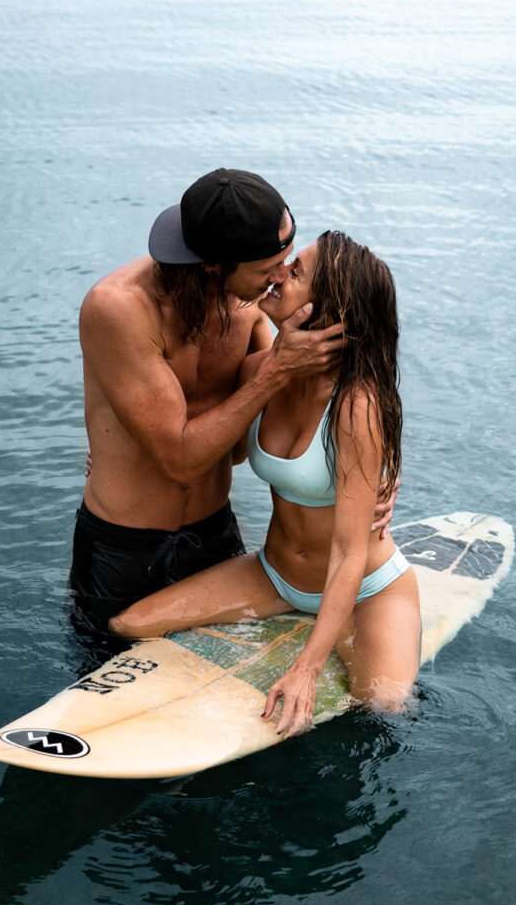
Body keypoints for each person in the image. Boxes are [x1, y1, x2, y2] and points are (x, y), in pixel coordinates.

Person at [110, 231, 420, 735]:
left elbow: (348, 553)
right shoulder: (261, 370)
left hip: (365, 587)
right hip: (273, 576)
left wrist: (306, 669)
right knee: (129, 625)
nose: (278, 275)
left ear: (325, 309)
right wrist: (126, 454)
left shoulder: (355, 406)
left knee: (384, 709)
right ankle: (320, 629)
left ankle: (339, 630)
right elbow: (211, 447)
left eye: (294, 272)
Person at [70, 169, 397, 641]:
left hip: (216, 536)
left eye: (287, 260)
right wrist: (277, 371)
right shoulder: (119, 308)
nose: (282, 277)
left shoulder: (250, 301)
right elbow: (182, 458)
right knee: (99, 678)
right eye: (270, 269)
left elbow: (300, 401)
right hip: (124, 548)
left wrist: (375, 471)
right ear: (213, 264)